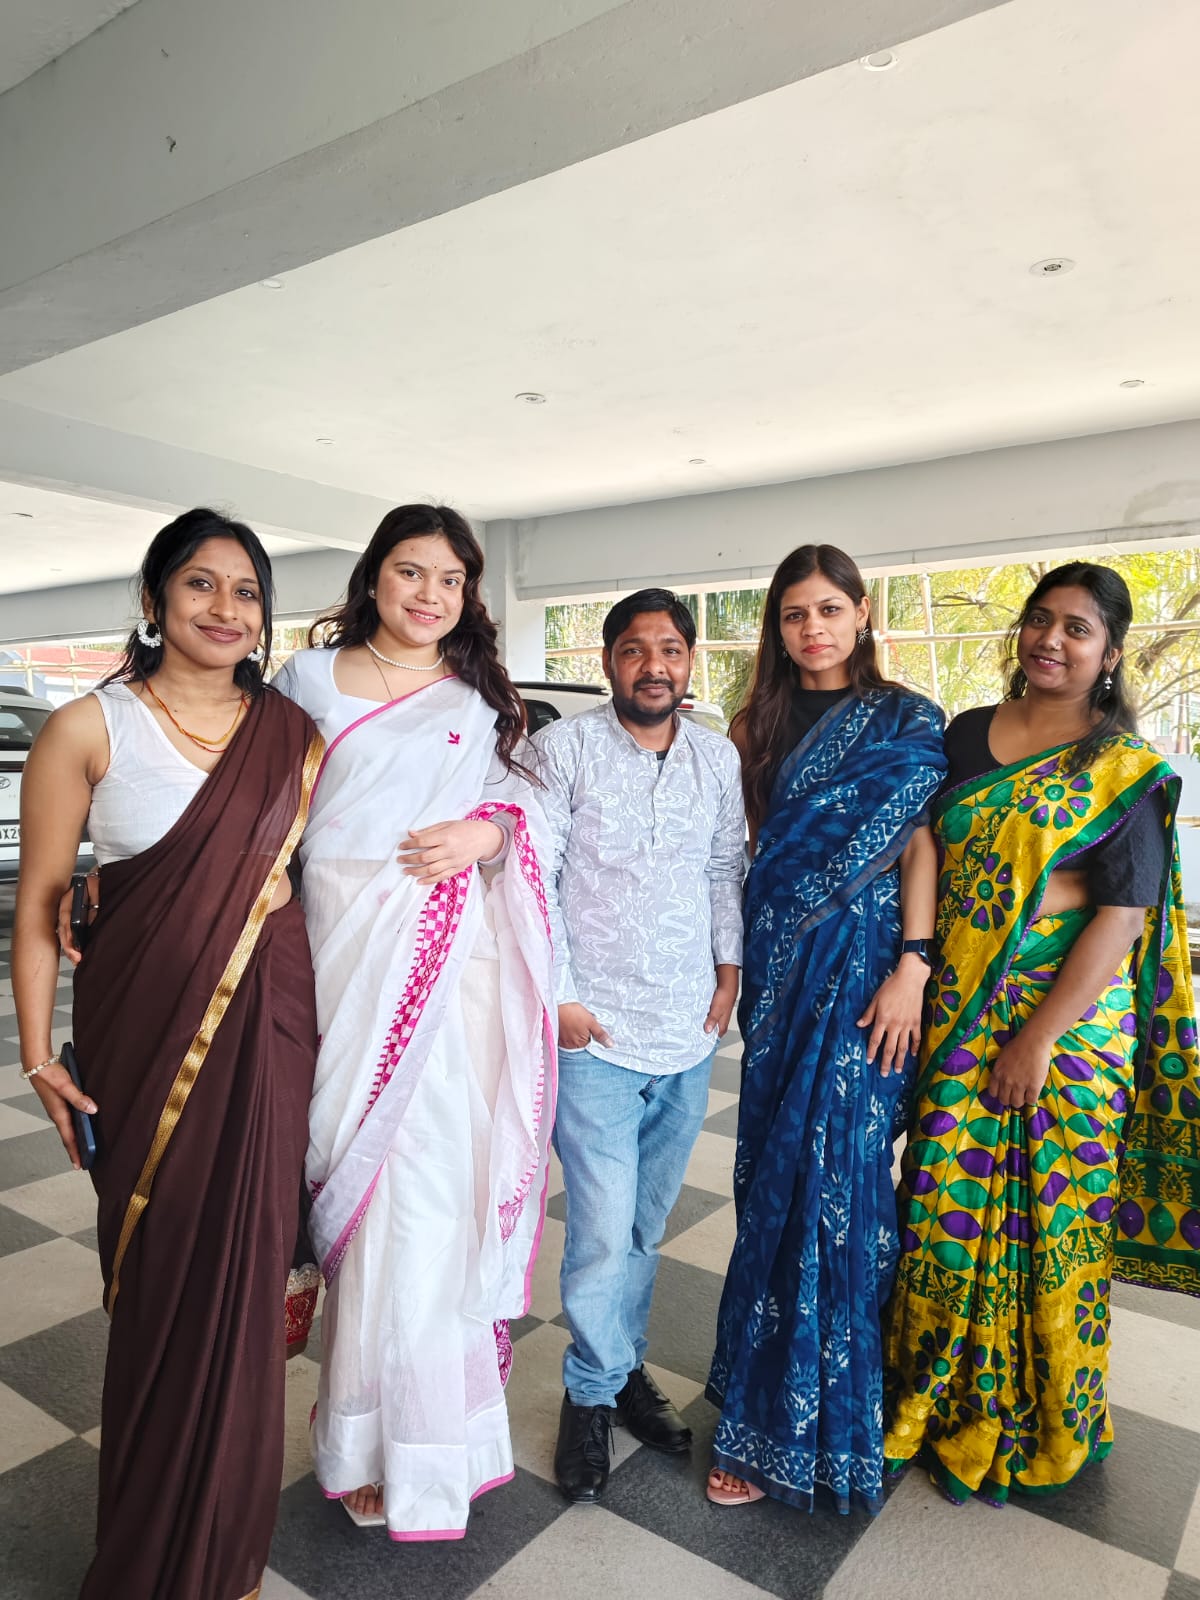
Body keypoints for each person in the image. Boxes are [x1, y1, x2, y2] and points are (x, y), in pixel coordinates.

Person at [15, 509, 322, 1600]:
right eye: (200, 584)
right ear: (154, 599)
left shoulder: (293, 734)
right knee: (158, 1287)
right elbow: (42, 905)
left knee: (244, 1289)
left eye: (247, 591)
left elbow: (323, 881)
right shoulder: (87, 727)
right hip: (141, 1040)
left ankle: (224, 1559)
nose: (225, 609)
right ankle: (147, 1556)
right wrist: (38, 1057)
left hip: (268, 1038)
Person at [884, 561, 1200, 1504]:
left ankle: (1042, 1418)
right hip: (959, 1004)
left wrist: (1037, 1040)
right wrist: (917, 961)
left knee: (1054, 1222)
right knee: (939, 1213)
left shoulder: (1121, 769)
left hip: (1067, 1030)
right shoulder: (967, 733)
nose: (1051, 640)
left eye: (1077, 628)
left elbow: (1123, 915)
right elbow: (927, 844)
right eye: (1040, 620)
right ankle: (934, 1404)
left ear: (1110, 654)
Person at [271, 503, 556, 1541]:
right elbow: (256, 812)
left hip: (445, 977)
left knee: (429, 1207)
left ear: (468, 593)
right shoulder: (305, 683)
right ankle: (359, 1442)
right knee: (358, 1197)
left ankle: (438, 1448)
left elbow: (533, 814)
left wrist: (488, 833)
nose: (429, 594)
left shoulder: (479, 699)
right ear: (373, 577)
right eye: (409, 571)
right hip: (336, 958)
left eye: (450, 578)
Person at [703, 545, 946, 1514]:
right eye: (795, 613)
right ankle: (759, 1409)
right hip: (780, 967)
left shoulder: (907, 720)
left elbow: (919, 844)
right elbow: (750, 853)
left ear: (862, 612)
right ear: (777, 625)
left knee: (843, 1177)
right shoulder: (750, 725)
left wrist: (913, 967)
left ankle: (836, 1413)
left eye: (830, 609)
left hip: (868, 973)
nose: (813, 629)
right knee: (773, 1175)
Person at [533, 588, 745, 1503]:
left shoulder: (716, 756)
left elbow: (725, 866)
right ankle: (589, 1395)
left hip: (687, 1028)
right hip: (595, 1033)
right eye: (633, 649)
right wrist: (561, 996)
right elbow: (533, 875)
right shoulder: (563, 750)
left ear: (690, 661)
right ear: (608, 660)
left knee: (643, 1228)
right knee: (598, 1231)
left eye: (670, 649)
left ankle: (621, 1370)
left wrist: (728, 970)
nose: (653, 665)